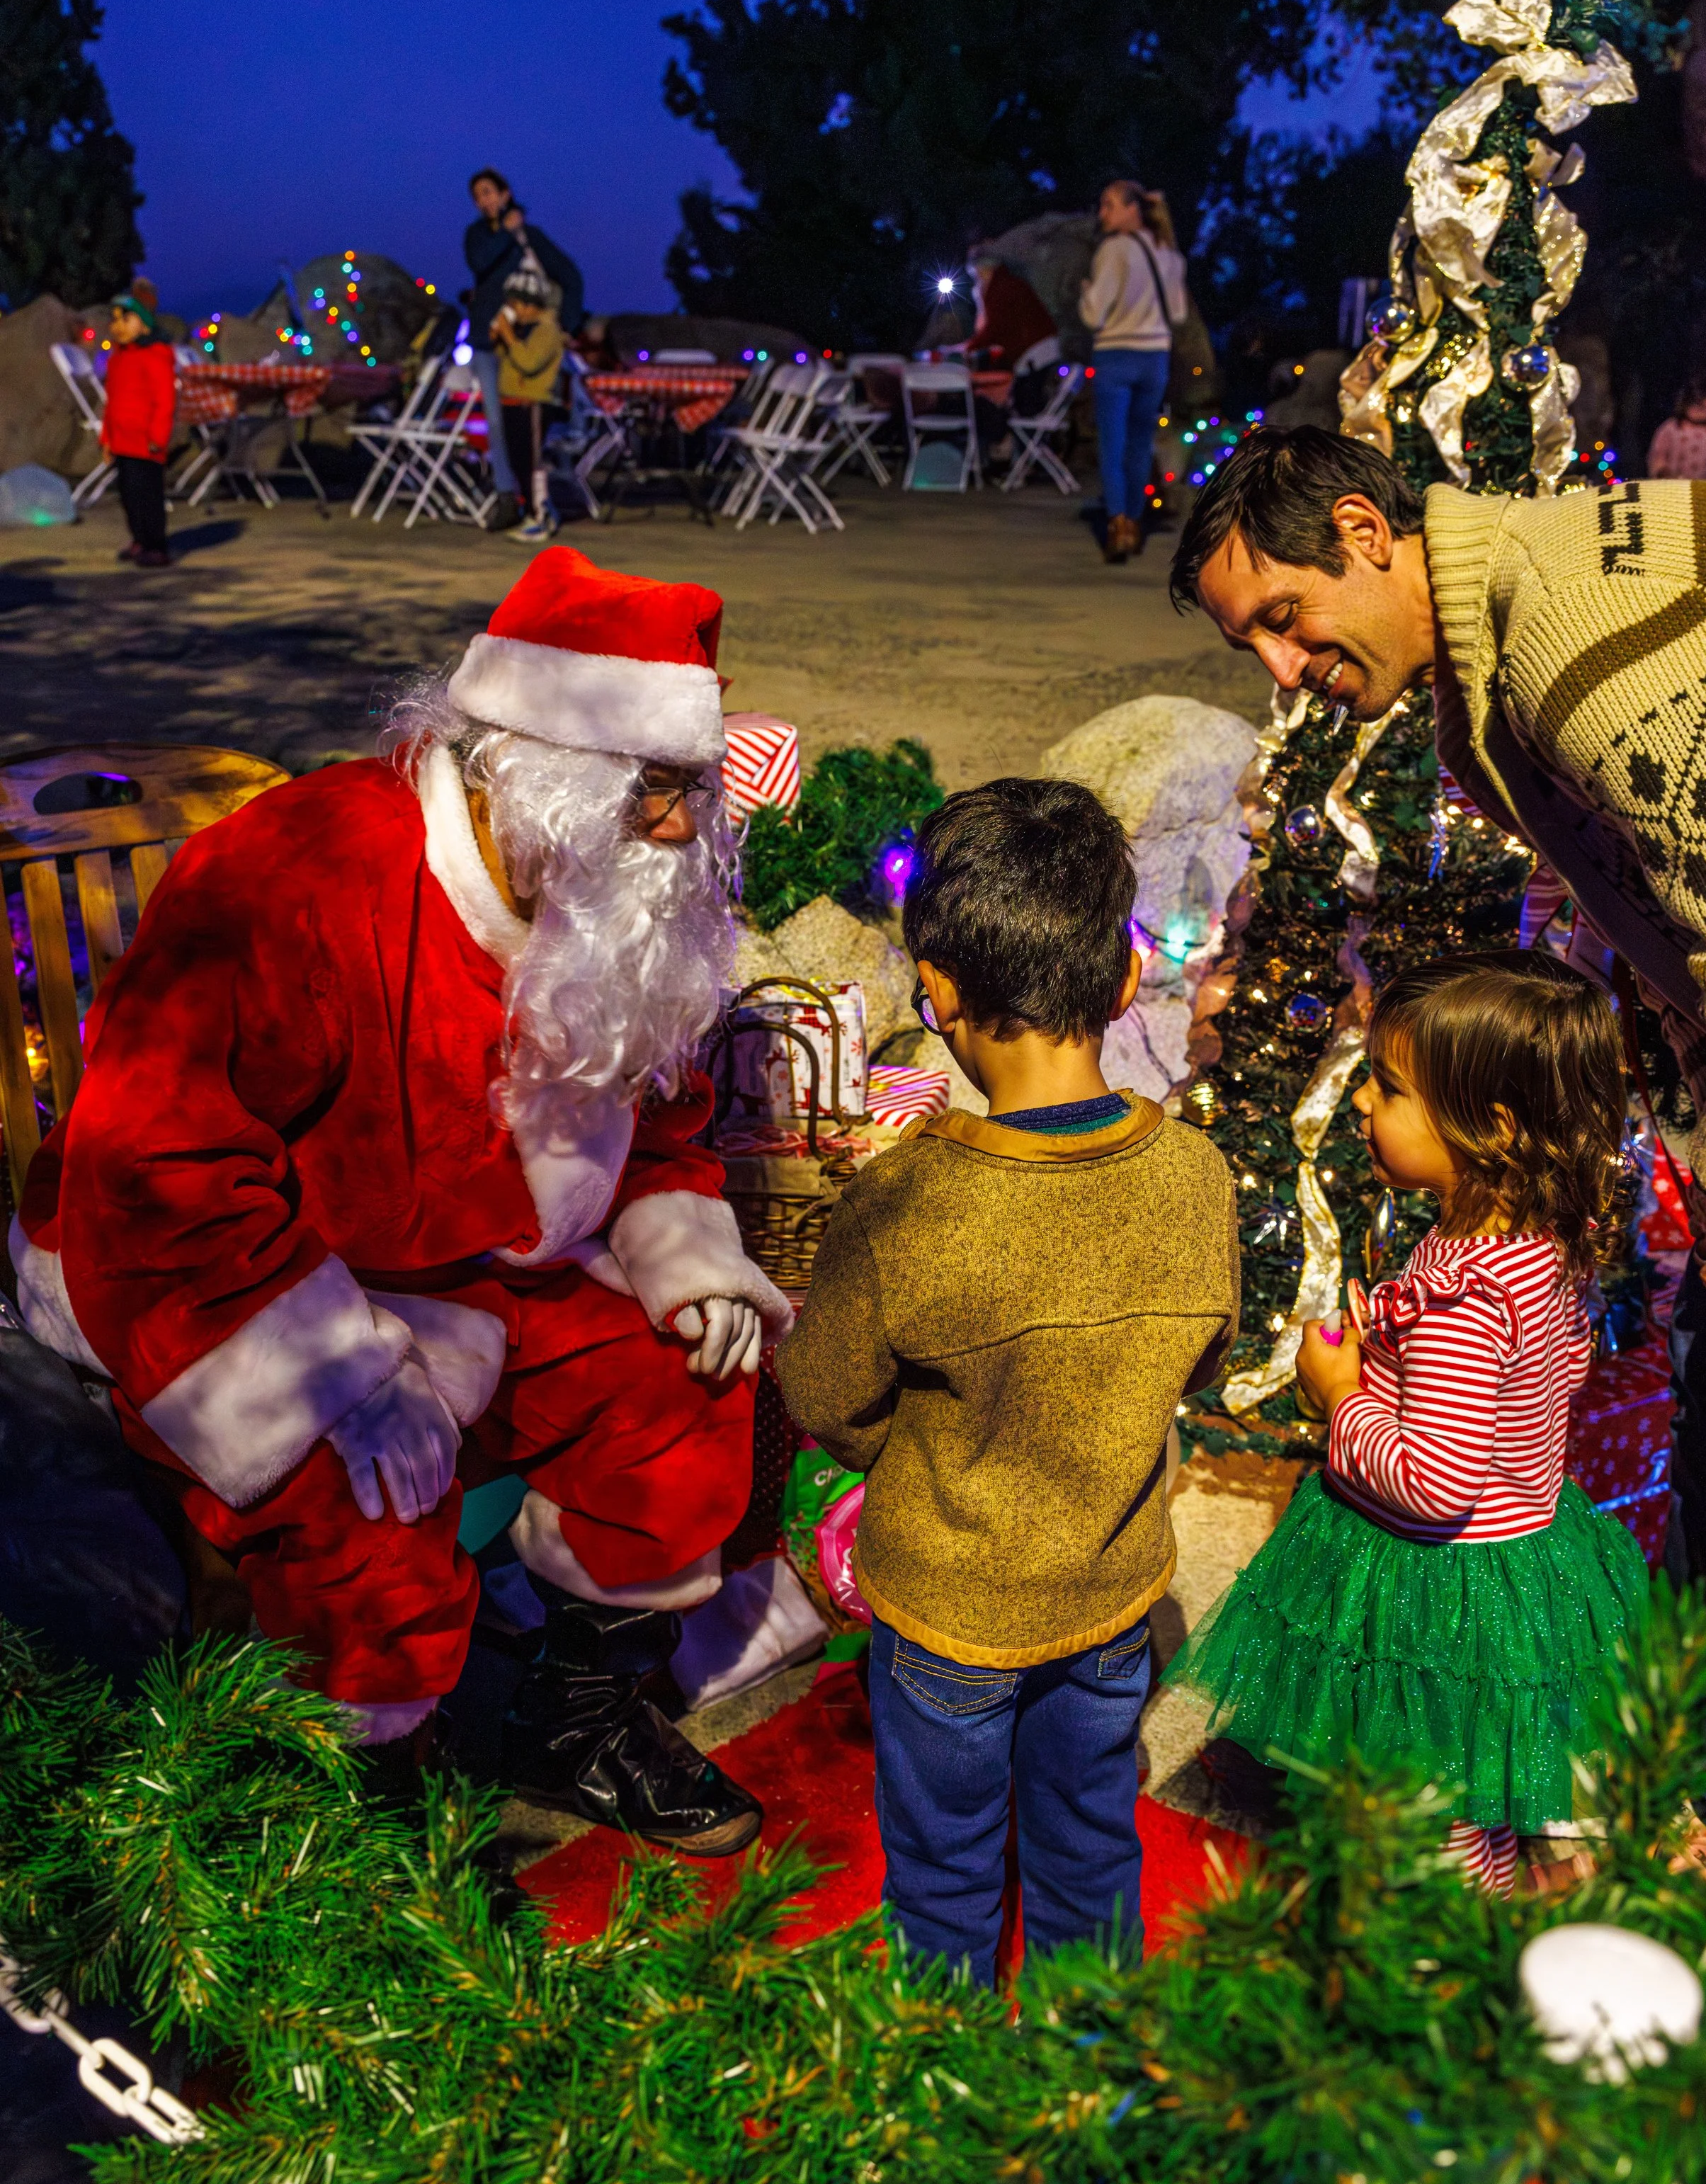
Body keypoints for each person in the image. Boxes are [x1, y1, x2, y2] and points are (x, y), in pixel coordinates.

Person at [9, 545, 792, 1852]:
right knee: (364, 1495)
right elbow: (159, 1167)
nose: (678, 825)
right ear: (532, 765)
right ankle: (360, 1799)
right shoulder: (304, 875)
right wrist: (341, 1371)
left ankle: (578, 1713)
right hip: (244, 1271)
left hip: (475, 1249)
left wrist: (684, 1246)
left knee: (683, 1383)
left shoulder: (604, 888)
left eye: (690, 788)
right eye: (654, 787)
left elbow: (657, 1098)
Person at [1171, 423, 1706, 1901]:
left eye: (1281, 616)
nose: (1277, 668)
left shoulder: (1575, 656)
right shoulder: (1503, 636)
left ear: (1367, 532)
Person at [776, 779, 1239, 1983]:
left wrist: (921, 1453)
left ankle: (950, 2102)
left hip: (948, 1612)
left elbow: (825, 1396)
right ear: (1128, 976)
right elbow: (1206, 1353)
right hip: (1109, 1597)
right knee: (1090, 1845)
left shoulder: (906, 1197)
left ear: (935, 990)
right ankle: (1092, 2091)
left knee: (943, 1867)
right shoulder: (1195, 1175)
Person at [1176, 952, 1647, 1894]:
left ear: (1493, 1127)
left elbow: (1432, 1483)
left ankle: (1432, 1965)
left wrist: (1339, 1394)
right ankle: (1484, 1894)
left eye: (1388, 1089)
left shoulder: (1468, 1299)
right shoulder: (1527, 1245)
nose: (1360, 1104)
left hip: (1440, 1578)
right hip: (1517, 1546)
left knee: (1421, 1815)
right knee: (1470, 1778)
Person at [462, 170, 585, 532]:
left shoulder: (531, 238)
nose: (484, 201)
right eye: (478, 196)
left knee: (524, 421)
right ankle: (505, 496)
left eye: (489, 192)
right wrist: (506, 232)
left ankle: (534, 500)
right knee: (496, 421)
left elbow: (570, 275)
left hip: (525, 344)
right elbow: (480, 263)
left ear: (505, 194)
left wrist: (567, 325)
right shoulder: (477, 236)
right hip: (489, 341)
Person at [1078, 179, 1187, 564]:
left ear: (1132, 209)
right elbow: (1177, 314)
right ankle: (1136, 523)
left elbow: (1095, 313)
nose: (1102, 214)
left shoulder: (1113, 251)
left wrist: (1087, 291)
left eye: (1109, 205)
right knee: (1141, 443)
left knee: (1113, 442)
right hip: (1154, 356)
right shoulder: (1170, 255)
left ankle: (1118, 522)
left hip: (1116, 354)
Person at [101, 292, 176, 568]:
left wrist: (158, 436)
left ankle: (156, 544)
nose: (118, 326)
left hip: (146, 443)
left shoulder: (156, 356)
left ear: (144, 325)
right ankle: (139, 539)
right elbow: (112, 402)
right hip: (122, 441)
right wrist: (107, 438)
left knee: (149, 496)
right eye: (115, 320)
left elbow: (164, 400)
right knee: (129, 494)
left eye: (126, 319)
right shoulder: (119, 359)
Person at [490, 270, 567, 540]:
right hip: (511, 402)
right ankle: (531, 514)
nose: (513, 311)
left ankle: (541, 517)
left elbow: (529, 362)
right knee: (518, 462)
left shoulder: (548, 330)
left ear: (530, 305)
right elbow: (508, 358)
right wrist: (500, 338)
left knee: (531, 463)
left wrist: (510, 336)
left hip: (531, 404)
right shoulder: (526, 329)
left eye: (515, 305)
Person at [1649, 379, 1706, 483]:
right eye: (1698, 406)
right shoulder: (1671, 427)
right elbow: (1658, 458)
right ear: (1685, 405)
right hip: (1673, 488)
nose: (1702, 411)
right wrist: (1667, 475)